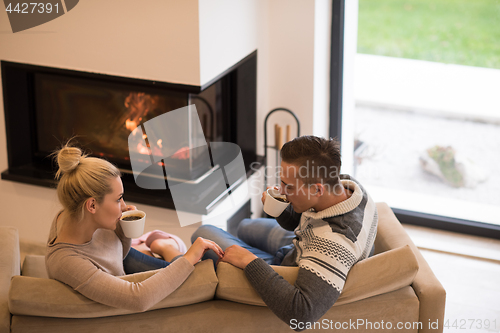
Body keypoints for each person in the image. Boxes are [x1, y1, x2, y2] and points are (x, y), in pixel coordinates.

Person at [192, 135, 378, 329]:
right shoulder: (349, 186)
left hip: (291, 262)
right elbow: (305, 218)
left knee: (203, 232)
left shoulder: (333, 243)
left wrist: (249, 261)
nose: (282, 190)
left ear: (317, 190)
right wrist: (281, 209)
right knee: (245, 226)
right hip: (300, 243)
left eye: (288, 186)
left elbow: (301, 314)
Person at [45, 143, 224, 312]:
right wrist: (189, 256)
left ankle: (163, 247)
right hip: (128, 290)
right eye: (118, 199)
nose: (123, 206)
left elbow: (119, 255)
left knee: (202, 269)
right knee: (202, 277)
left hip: (124, 261)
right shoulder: (67, 262)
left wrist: (123, 228)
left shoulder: (74, 213)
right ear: (92, 206)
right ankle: (165, 247)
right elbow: (138, 298)